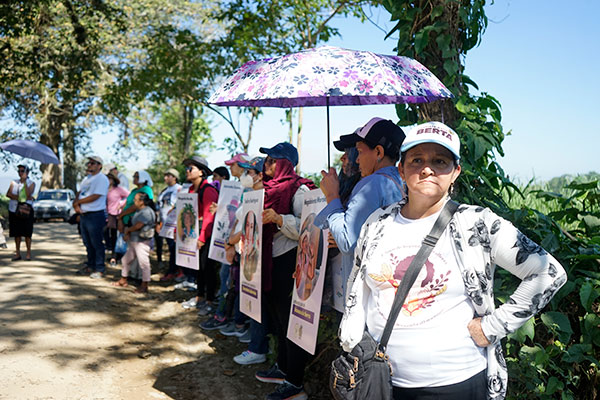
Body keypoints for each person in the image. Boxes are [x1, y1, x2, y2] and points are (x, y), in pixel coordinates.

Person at [339, 121, 568, 400]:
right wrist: (352, 340)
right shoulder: (378, 223)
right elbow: (358, 285)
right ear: (401, 168)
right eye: (417, 160)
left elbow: (549, 273)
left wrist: (492, 327)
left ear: (456, 171)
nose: (427, 168)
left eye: (440, 161)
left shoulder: (477, 223)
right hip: (382, 382)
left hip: (456, 383)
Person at [252, 142, 316, 400]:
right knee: (278, 320)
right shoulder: (264, 190)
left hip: (290, 263)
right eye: (266, 159)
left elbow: (310, 227)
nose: (266, 164)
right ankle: (282, 366)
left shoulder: (300, 189)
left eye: (271, 159)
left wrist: (279, 219)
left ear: (285, 163)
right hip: (268, 262)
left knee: (292, 323)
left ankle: (295, 382)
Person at [316, 118, 406, 298]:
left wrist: (332, 196)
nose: (356, 160)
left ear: (378, 152)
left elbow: (347, 241)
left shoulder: (371, 184)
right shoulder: (402, 181)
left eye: (359, 151)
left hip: (366, 292)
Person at [179, 156, 219, 315]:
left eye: (191, 168)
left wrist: (203, 237)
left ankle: (209, 300)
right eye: (187, 168)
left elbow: (210, 216)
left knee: (207, 267)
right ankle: (199, 296)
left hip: (207, 235)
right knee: (198, 267)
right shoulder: (189, 190)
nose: (187, 171)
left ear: (201, 172)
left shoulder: (208, 189)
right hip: (192, 234)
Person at [111, 192, 156, 293]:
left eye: (135, 200)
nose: (134, 202)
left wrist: (128, 230)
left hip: (142, 242)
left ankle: (144, 285)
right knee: (126, 260)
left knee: (144, 264)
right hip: (135, 241)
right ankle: (123, 280)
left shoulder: (146, 212)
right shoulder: (139, 210)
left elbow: (138, 225)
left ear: (141, 202)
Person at [74, 156, 110, 278]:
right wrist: (76, 203)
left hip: (95, 214)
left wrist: (79, 202)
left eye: (93, 163)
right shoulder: (87, 179)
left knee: (97, 242)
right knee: (87, 242)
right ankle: (90, 265)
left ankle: (100, 268)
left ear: (99, 165)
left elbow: (96, 196)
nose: (89, 165)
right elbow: (80, 192)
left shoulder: (102, 179)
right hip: (84, 215)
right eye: (89, 163)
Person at [156, 168, 182, 280]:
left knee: (174, 248)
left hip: (174, 224)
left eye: (168, 176)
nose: (165, 178)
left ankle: (175, 271)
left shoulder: (179, 189)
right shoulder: (164, 191)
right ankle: (173, 270)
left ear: (174, 177)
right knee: (171, 248)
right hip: (165, 223)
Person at [6, 164, 35, 261]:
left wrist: (24, 182)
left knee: (27, 232)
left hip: (26, 210)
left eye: (22, 171)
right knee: (16, 232)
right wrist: (19, 198)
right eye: (19, 171)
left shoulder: (31, 183)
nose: (20, 173)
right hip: (14, 209)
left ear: (27, 173)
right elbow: (8, 194)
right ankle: (17, 252)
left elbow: (28, 194)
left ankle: (28, 253)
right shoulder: (14, 182)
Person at [106, 172, 129, 266]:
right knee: (106, 234)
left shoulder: (118, 189)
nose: (108, 181)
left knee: (115, 236)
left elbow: (129, 196)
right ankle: (112, 252)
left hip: (115, 214)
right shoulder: (104, 189)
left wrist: (121, 204)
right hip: (106, 214)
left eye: (110, 179)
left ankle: (115, 256)